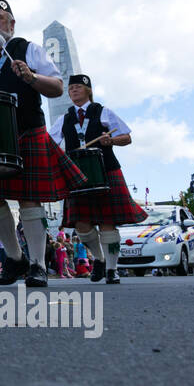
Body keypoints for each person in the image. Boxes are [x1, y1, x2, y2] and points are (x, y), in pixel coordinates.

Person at [0, 0, 84, 289]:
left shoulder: (28, 49)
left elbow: (56, 87)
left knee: (29, 199)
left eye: (0, 17)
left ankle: (38, 265)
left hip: (26, 131)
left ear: (11, 23)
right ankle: (15, 258)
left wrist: (31, 77)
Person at [48, 74, 146, 285]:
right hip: (76, 174)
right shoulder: (63, 119)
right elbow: (51, 144)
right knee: (82, 225)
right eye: (71, 88)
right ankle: (99, 259)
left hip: (106, 170)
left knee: (108, 222)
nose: (73, 90)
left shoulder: (103, 112)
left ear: (88, 90)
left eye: (77, 87)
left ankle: (112, 269)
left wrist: (110, 140)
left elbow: (127, 138)